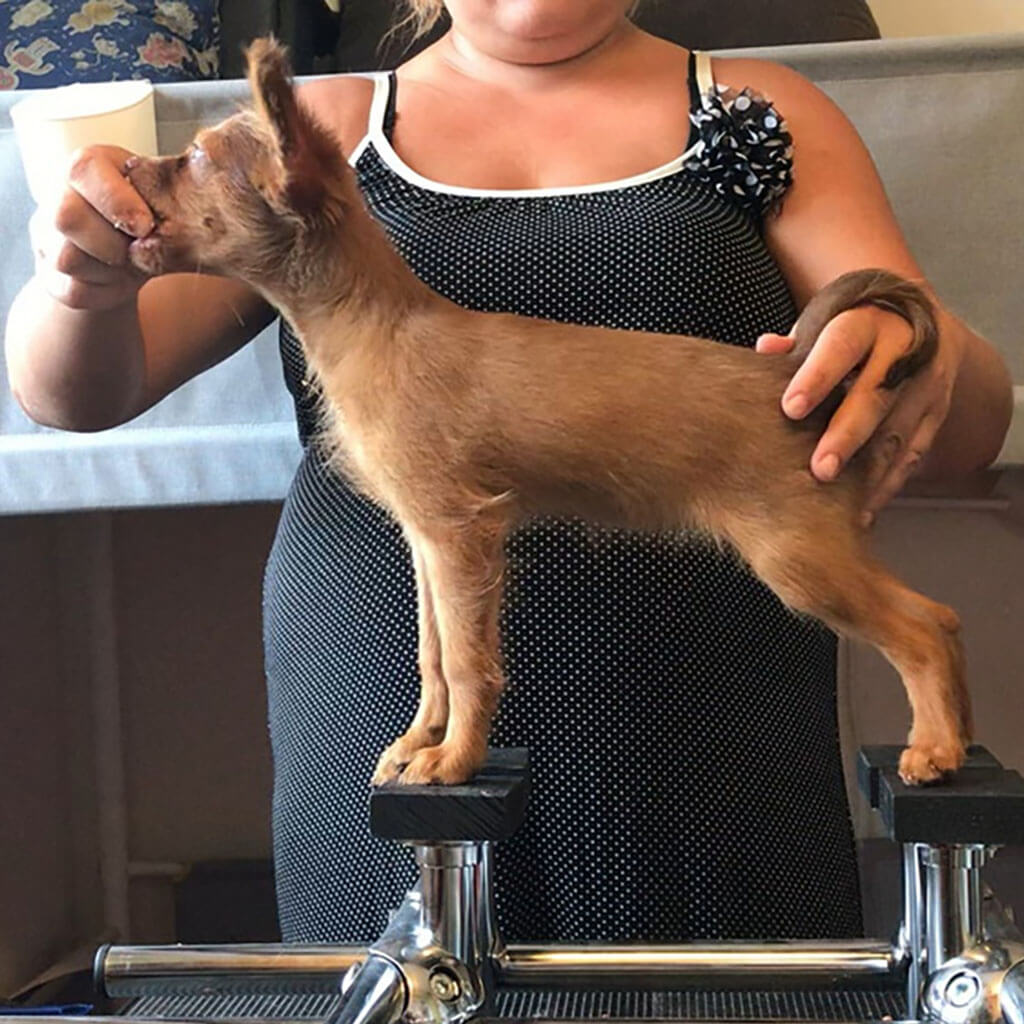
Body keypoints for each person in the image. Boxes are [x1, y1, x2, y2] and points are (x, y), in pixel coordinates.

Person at [5, 1, 1012, 944]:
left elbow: (963, 429)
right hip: (366, 690)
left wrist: (916, 342)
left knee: (708, 973)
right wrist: (80, 284)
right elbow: (75, 396)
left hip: (703, 718)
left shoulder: (761, 111)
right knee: (408, 964)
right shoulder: (334, 125)